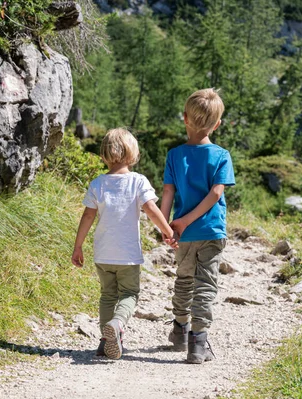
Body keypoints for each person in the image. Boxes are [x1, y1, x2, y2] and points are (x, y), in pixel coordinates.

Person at [71, 128, 177, 360]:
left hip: (103, 254)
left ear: (104, 154)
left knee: (108, 295)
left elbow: (87, 216)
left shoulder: (98, 183)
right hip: (127, 254)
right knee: (129, 294)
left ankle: (104, 341)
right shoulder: (138, 181)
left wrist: (78, 246)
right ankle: (118, 324)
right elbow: (151, 209)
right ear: (133, 154)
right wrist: (167, 230)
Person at [161, 88, 235, 364]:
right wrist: (188, 220)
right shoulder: (221, 155)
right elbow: (216, 194)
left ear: (185, 119)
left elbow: (167, 193)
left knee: (183, 280)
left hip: (184, 234)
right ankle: (198, 344)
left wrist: (169, 227)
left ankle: (180, 331)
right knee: (205, 286)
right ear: (217, 124)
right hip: (212, 231)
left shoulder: (174, 155)